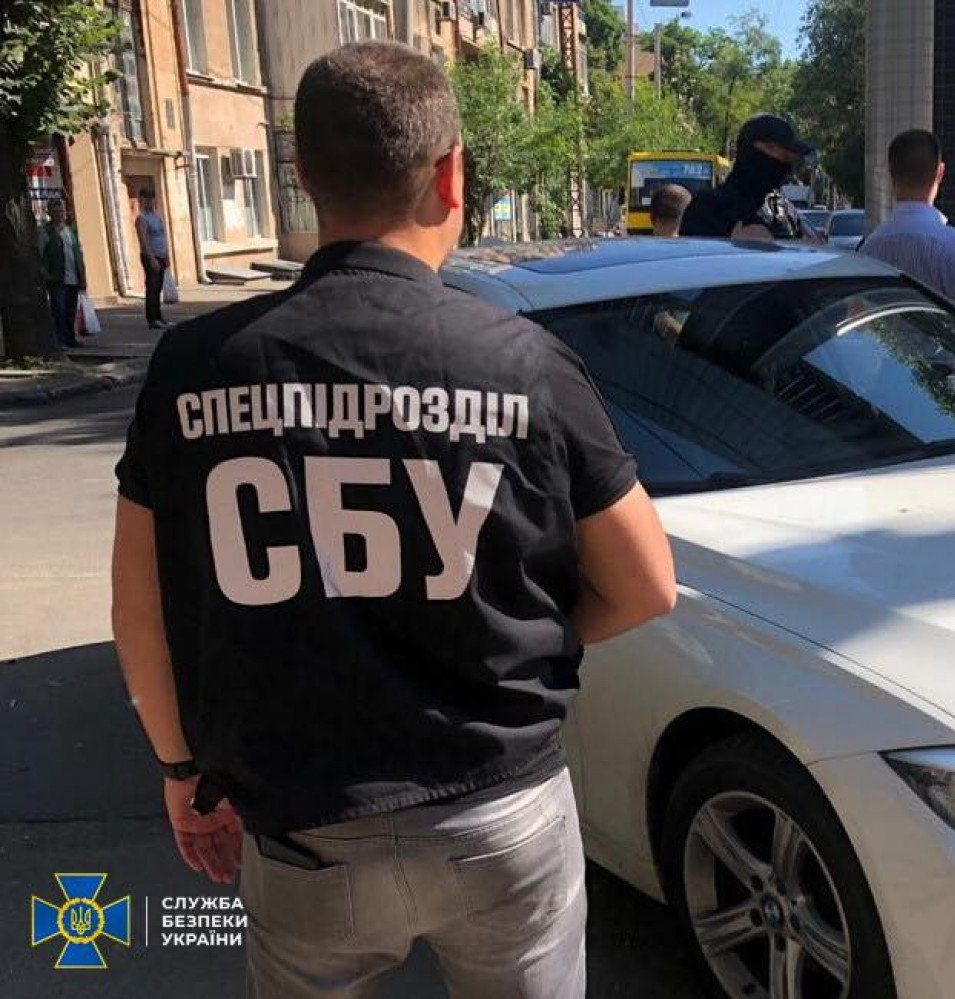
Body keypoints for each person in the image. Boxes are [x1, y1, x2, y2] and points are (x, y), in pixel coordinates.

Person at [110, 40, 676, 999]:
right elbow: (647, 585)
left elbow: (140, 608)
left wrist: (181, 767)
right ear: (450, 173)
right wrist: (524, 641)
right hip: (497, 809)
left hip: (303, 823)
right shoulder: (524, 362)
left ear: (301, 175)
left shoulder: (194, 367)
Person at [859, 129, 955, 331]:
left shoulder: (870, 248)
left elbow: (859, 319)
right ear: (940, 172)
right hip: (940, 352)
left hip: (886, 352)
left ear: (891, 173)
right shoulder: (948, 243)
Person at [680, 113, 814, 239]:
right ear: (754, 152)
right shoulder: (708, 207)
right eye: (783, 156)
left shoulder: (783, 210)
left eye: (790, 160)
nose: (786, 166)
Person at [37, 198, 87, 348]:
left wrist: (82, 276)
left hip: (73, 277)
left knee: (71, 310)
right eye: (56, 211)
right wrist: (45, 273)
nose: (60, 214)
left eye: (62, 211)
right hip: (57, 278)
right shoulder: (45, 231)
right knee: (59, 309)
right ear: (49, 213)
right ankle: (59, 340)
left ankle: (70, 338)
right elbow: (38, 254)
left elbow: (79, 254)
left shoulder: (71, 231)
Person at [135, 188, 171, 330]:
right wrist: (151, 259)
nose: (149, 202)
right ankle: (152, 319)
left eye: (151, 199)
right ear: (141, 201)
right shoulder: (142, 219)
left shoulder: (157, 217)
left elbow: (162, 236)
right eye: (146, 199)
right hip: (151, 256)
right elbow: (143, 240)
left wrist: (166, 254)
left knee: (158, 288)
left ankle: (159, 317)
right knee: (152, 287)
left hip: (161, 255)